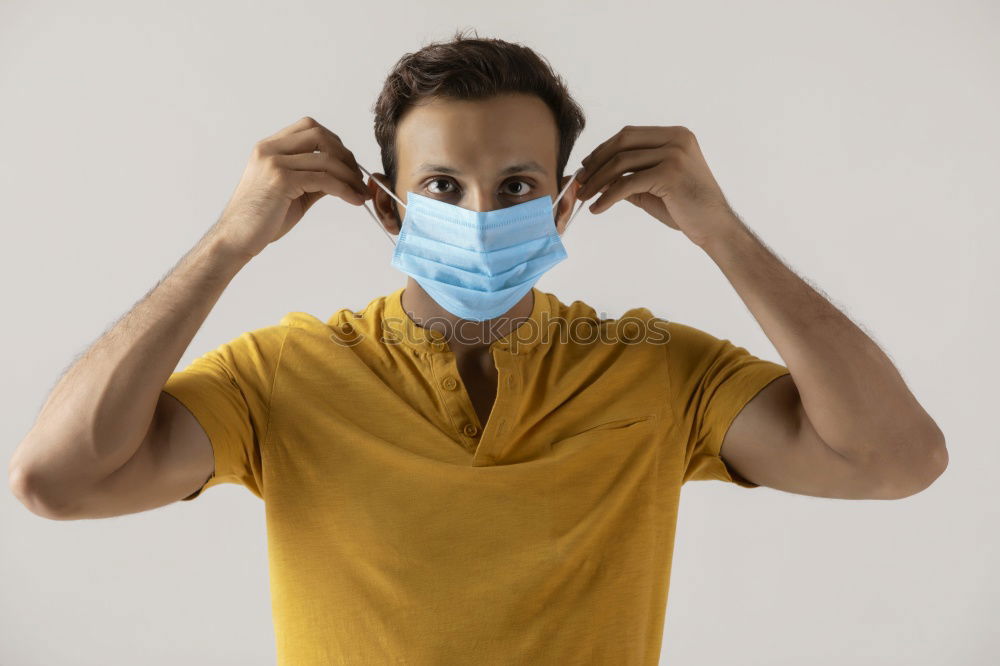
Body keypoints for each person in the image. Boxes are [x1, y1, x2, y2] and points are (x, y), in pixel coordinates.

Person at [9, 30, 948, 665]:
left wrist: (723, 232)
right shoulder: (280, 379)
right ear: (385, 204)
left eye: (516, 183)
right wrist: (227, 244)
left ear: (565, 200)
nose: (481, 211)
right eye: (443, 186)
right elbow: (56, 481)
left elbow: (896, 461)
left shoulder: (658, 372)